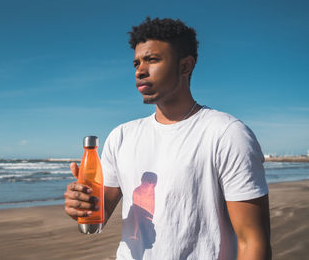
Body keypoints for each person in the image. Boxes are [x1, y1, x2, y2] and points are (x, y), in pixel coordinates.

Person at [64, 17, 271, 260]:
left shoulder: (226, 133)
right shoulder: (121, 136)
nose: (140, 70)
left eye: (152, 60)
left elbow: (253, 242)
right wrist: (82, 206)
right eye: (136, 63)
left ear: (185, 66)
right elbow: (98, 219)